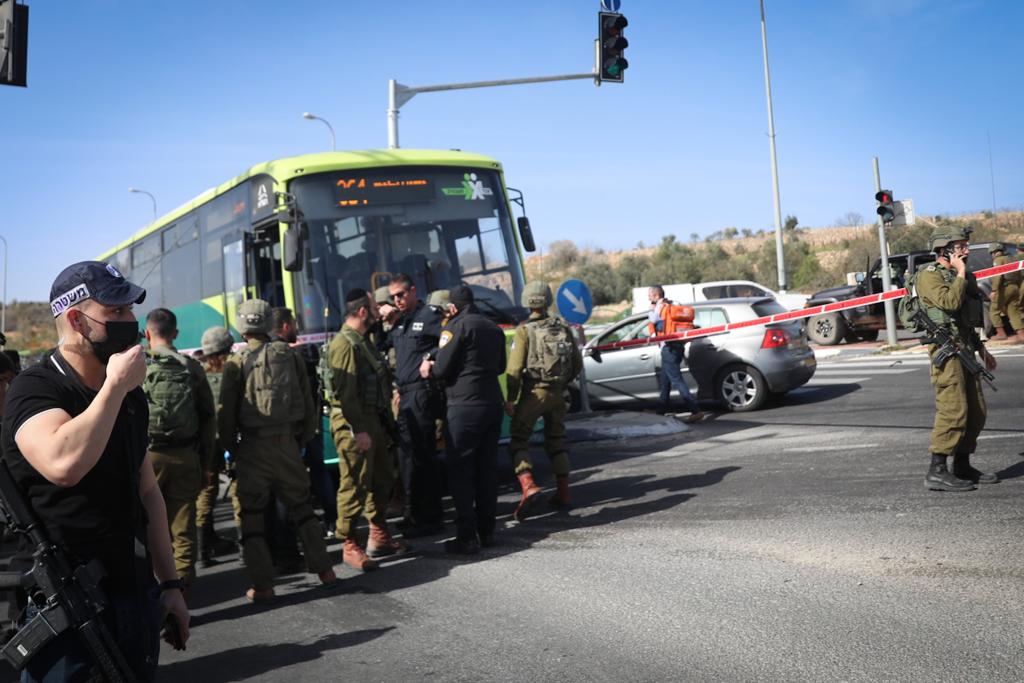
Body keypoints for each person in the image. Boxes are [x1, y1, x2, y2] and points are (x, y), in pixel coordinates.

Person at [2, 261, 189, 680]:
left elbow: (148, 493)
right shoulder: (35, 388)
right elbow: (63, 464)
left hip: (133, 596)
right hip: (66, 604)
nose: (131, 322)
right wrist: (114, 388)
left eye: (130, 311)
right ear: (76, 320)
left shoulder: (129, 396)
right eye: (116, 312)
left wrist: (172, 585)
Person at [218, 298, 336, 603]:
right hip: (287, 444)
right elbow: (309, 402)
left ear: (242, 325)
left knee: (253, 515)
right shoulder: (289, 354)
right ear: (269, 323)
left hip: (253, 448)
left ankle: (264, 585)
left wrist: (231, 448)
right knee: (303, 508)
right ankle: (325, 571)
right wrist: (300, 439)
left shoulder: (236, 363)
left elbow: (227, 414)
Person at [421, 285, 506, 554]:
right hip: (492, 404)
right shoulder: (493, 327)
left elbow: (443, 368)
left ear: (454, 307)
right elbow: (501, 366)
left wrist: (432, 363)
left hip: (463, 407)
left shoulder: (455, 327)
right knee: (487, 470)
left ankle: (466, 536)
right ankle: (487, 531)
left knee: (461, 472)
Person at [328, 289, 408, 570]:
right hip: (354, 422)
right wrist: (358, 429)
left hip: (373, 420)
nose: (379, 310)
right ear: (363, 312)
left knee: (382, 478)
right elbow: (346, 394)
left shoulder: (364, 341)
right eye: (374, 306)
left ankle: (379, 534)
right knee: (354, 483)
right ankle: (349, 544)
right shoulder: (344, 344)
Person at [917, 226, 998, 492]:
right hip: (946, 352)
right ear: (944, 250)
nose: (965, 250)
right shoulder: (929, 276)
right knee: (953, 410)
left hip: (965, 347)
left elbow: (966, 320)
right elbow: (949, 303)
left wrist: (982, 349)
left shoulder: (962, 276)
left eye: (966, 245)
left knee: (976, 411)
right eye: (960, 246)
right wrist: (961, 273)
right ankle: (936, 470)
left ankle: (962, 465)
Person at [142, 308, 216, 585]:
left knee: (147, 526)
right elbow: (208, 419)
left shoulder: (138, 367)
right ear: (175, 333)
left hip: (146, 459)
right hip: (186, 456)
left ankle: (153, 592)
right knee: (183, 528)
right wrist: (207, 464)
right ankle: (180, 592)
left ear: (148, 333)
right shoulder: (191, 367)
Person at [505, 281, 583, 521]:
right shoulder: (563, 327)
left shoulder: (524, 330)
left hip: (533, 394)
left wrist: (511, 398)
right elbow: (576, 364)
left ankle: (528, 485)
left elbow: (515, 369)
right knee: (557, 442)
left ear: (526, 300)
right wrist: (560, 384)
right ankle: (564, 493)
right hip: (558, 394)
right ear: (548, 300)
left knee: (518, 440)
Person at [388, 273, 446, 536]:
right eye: (393, 297)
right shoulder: (400, 323)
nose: (397, 300)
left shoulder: (430, 315)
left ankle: (432, 518)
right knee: (408, 458)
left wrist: (431, 357)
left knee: (424, 457)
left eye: (401, 294)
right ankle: (413, 514)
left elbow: (448, 339)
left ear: (413, 291)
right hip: (404, 396)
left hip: (422, 395)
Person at [195, 326, 237, 568]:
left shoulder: (199, 374)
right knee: (240, 490)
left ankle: (203, 551)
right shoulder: (234, 371)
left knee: (206, 493)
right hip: (233, 437)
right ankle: (246, 545)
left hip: (208, 440)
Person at [648, 285, 704, 423]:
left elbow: (653, 320)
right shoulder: (672, 304)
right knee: (665, 381)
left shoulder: (660, 307)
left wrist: (651, 310)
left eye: (649, 295)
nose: (648, 298)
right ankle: (661, 410)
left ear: (656, 295)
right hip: (676, 346)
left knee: (676, 380)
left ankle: (695, 410)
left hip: (669, 348)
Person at [986, 243, 1023, 342]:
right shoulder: (1013, 259)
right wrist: (1018, 288)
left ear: (994, 252)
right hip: (1014, 287)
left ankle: (1001, 333)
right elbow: (1019, 275)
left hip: (1004, 288)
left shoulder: (998, 260)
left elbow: (997, 276)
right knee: (1014, 312)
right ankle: (1021, 334)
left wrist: (994, 290)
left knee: (994, 310)